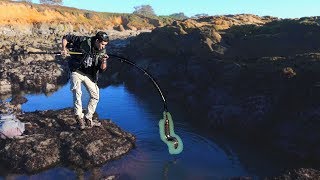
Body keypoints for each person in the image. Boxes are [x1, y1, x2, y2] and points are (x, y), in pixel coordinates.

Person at [61, 31, 109, 130]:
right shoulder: (83, 40)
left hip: (89, 75)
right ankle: (79, 118)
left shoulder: (102, 51)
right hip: (76, 70)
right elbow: (66, 37)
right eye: (102, 44)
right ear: (97, 41)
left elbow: (102, 70)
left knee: (95, 96)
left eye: (105, 45)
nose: (103, 47)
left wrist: (104, 61)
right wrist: (64, 49)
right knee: (77, 92)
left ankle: (88, 118)